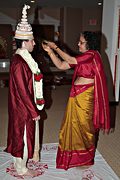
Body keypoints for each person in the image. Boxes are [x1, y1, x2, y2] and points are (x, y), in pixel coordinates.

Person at [42, 31, 110, 170]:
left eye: (81, 42)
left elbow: (71, 60)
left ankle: (85, 157)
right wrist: (50, 52)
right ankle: (75, 156)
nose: (78, 44)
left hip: (86, 96)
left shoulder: (92, 55)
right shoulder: (84, 58)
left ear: (89, 44)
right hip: (76, 95)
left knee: (85, 126)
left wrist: (56, 47)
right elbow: (61, 65)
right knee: (73, 125)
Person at [5, 5, 45, 177]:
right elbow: (22, 90)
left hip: (26, 105)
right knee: (21, 135)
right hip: (22, 106)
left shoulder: (24, 58)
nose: (34, 43)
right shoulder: (20, 62)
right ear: (25, 41)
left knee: (28, 133)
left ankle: (28, 158)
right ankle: (21, 169)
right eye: (32, 40)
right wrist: (32, 110)